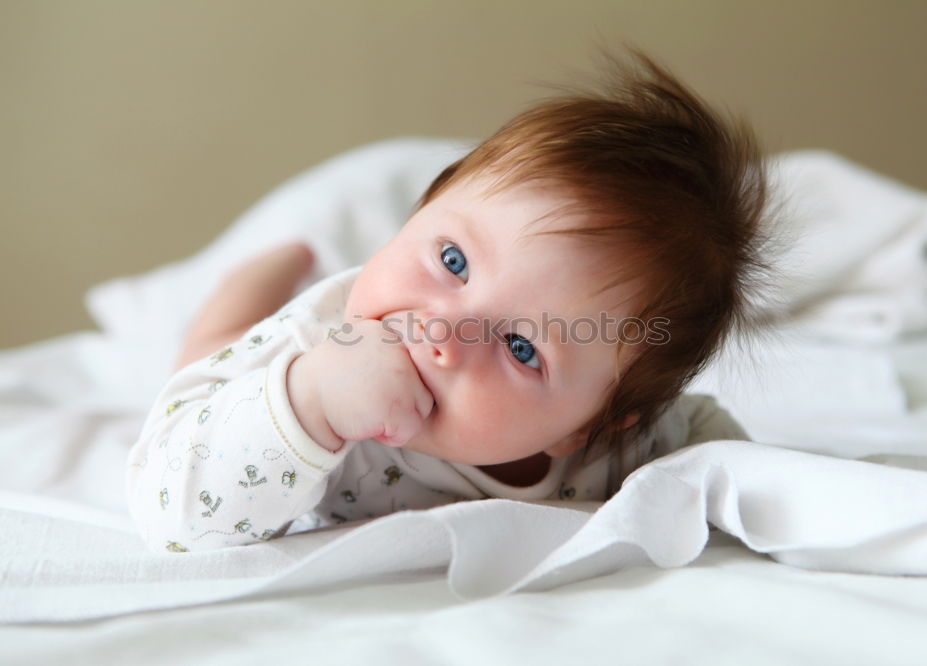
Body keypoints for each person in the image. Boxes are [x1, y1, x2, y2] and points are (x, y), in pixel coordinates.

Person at [126, 49, 771, 552]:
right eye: (453, 262)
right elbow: (174, 520)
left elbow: (728, 460)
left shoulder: (623, 445)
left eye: (522, 349)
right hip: (258, 367)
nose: (443, 333)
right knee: (214, 347)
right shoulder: (316, 348)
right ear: (420, 213)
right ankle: (235, 301)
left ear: (587, 425)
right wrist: (311, 402)